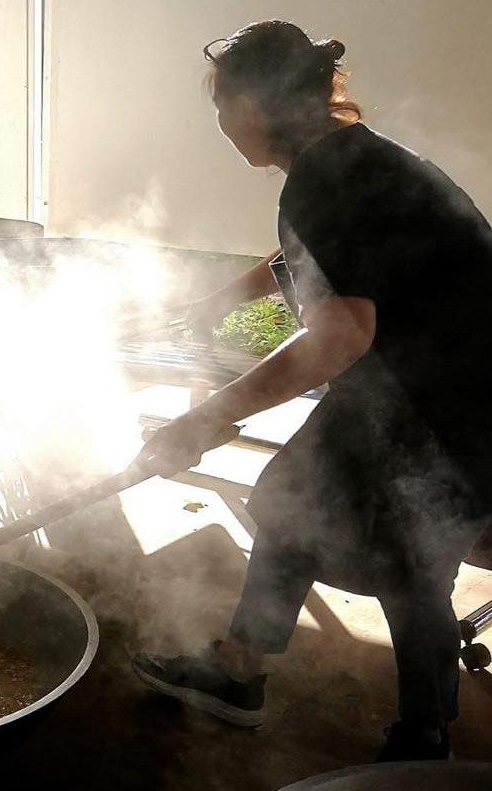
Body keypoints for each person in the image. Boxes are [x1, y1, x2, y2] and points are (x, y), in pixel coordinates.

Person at [130, 20, 492, 762]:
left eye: (222, 108)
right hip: (433, 381)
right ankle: (240, 667)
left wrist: (206, 417)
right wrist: (220, 300)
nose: (222, 126)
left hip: (453, 402)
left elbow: (339, 337)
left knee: (409, 549)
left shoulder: (322, 181)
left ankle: (425, 740)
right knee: (290, 496)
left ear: (255, 109)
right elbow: (310, 254)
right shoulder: (355, 158)